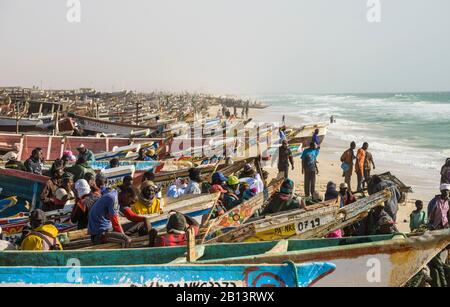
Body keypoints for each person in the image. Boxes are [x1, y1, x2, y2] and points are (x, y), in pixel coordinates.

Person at [427, 184, 450, 287]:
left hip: (445, 228)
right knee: (436, 248)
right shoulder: (435, 201)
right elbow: (430, 215)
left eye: (447, 191)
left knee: (444, 248)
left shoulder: (449, 201)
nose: (446, 193)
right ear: (441, 191)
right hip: (435, 228)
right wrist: (430, 225)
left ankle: (442, 263)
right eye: (444, 191)